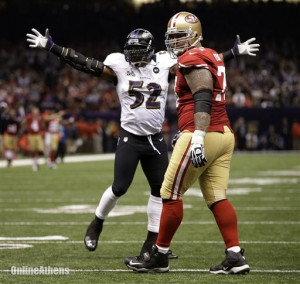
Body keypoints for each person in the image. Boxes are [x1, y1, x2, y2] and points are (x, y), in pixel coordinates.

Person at [26, 25, 259, 264]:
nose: (133, 54)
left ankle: (152, 244)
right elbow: (86, 64)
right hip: (130, 136)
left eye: (138, 50)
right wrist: (53, 48)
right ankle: (97, 222)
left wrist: (233, 52)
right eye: (131, 49)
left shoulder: (165, 64)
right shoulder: (119, 66)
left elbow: (200, 65)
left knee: (160, 191)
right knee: (120, 186)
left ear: (149, 50)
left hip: (156, 139)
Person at [126, 11, 259, 274]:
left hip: (204, 133)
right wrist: (234, 51)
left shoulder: (193, 57)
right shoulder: (211, 55)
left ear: (195, 36)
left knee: (169, 193)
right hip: (224, 134)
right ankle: (235, 255)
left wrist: (196, 136)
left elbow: (203, 96)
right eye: (172, 37)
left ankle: (160, 255)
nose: (174, 42)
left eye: (180, 37)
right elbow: (218, 60)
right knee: (217, 197)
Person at [22, 106, 45, 171]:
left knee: (40, 148)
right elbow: (23, 122)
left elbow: (45, 119)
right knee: (33, 150)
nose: (37, 112)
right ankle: (34, 163)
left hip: (38, 135)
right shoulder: (29, 117)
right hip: (31, 135)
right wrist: (26, 126)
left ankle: (36, 161)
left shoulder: (39, 117)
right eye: (36, 111)